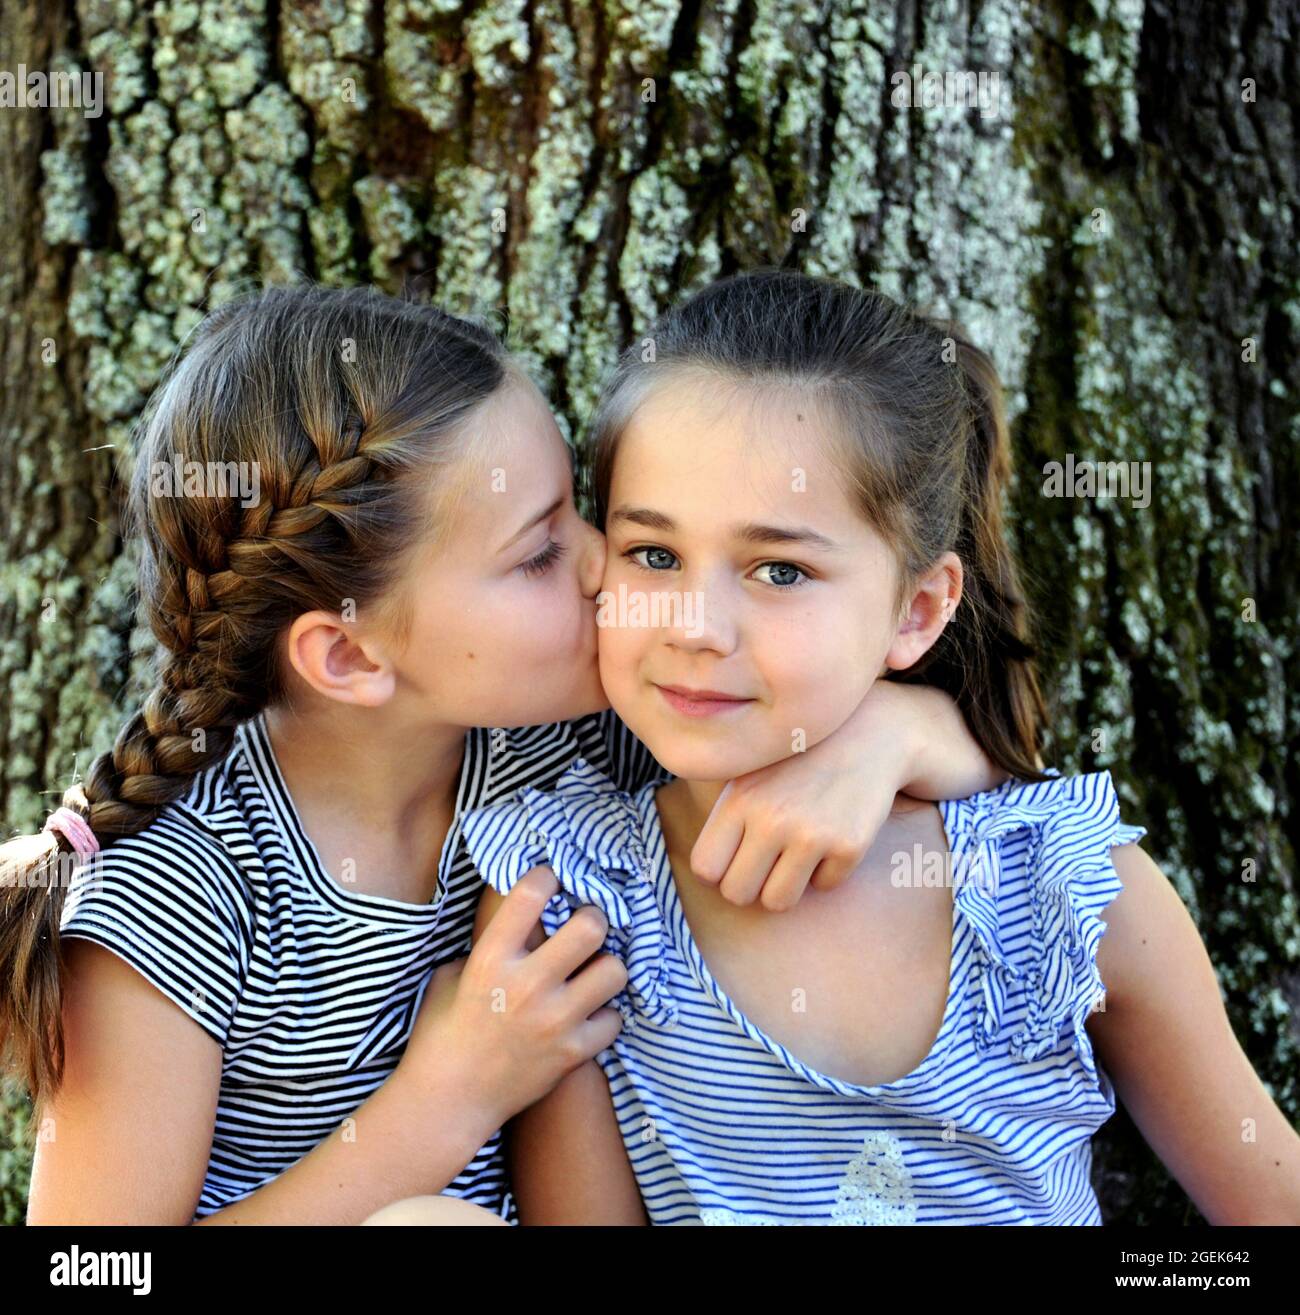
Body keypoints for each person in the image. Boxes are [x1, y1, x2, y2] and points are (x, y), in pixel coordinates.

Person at [0, 282, 1000, 1225]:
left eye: (580, 511)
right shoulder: (179, 891)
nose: (607, 564)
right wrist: (449, 1097)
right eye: (537, 553)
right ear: (349, 651)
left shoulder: (562, 743)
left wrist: (897, 735)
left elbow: (996, 803)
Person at [459, 268, 1300, 1224]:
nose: (696, 625)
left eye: (780, 569)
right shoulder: (572, 897)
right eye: (655, 554)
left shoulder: (1056, 886)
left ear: (918, 609)